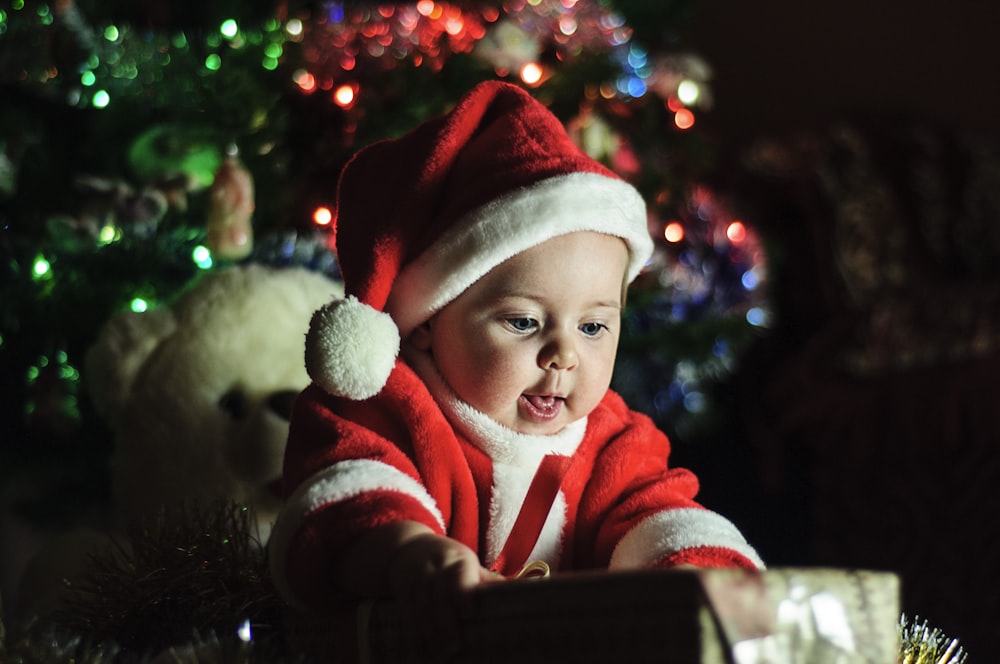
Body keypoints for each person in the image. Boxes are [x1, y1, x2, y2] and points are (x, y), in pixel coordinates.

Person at [268, 80, 763, 652]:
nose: (564, 355)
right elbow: (338, 508)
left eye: (593, 327)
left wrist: (702, 572)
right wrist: (406, 553)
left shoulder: (611, 441)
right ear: (428, 319)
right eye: (524, 322)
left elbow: (658, 513)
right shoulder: (386, 409)